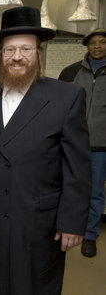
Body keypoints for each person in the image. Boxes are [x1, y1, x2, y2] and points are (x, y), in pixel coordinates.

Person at [0, 6, 91, 295]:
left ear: (39, 53)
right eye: (9, 50)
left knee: (36, 285)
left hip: (38, 221)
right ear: (0, 55)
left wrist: (73, 223)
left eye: (26, 49)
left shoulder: (66, 96)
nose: (17, 57)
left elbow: (78, 167)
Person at [59, 28, 106, 258]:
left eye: (102, 42)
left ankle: (89, 236)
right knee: (64, 185)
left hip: (100, 146)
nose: (97, 46)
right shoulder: (71, 72)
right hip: (70, 142)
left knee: (95, 192)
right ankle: (62, 227)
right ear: (87, 46)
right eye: (93, 43)